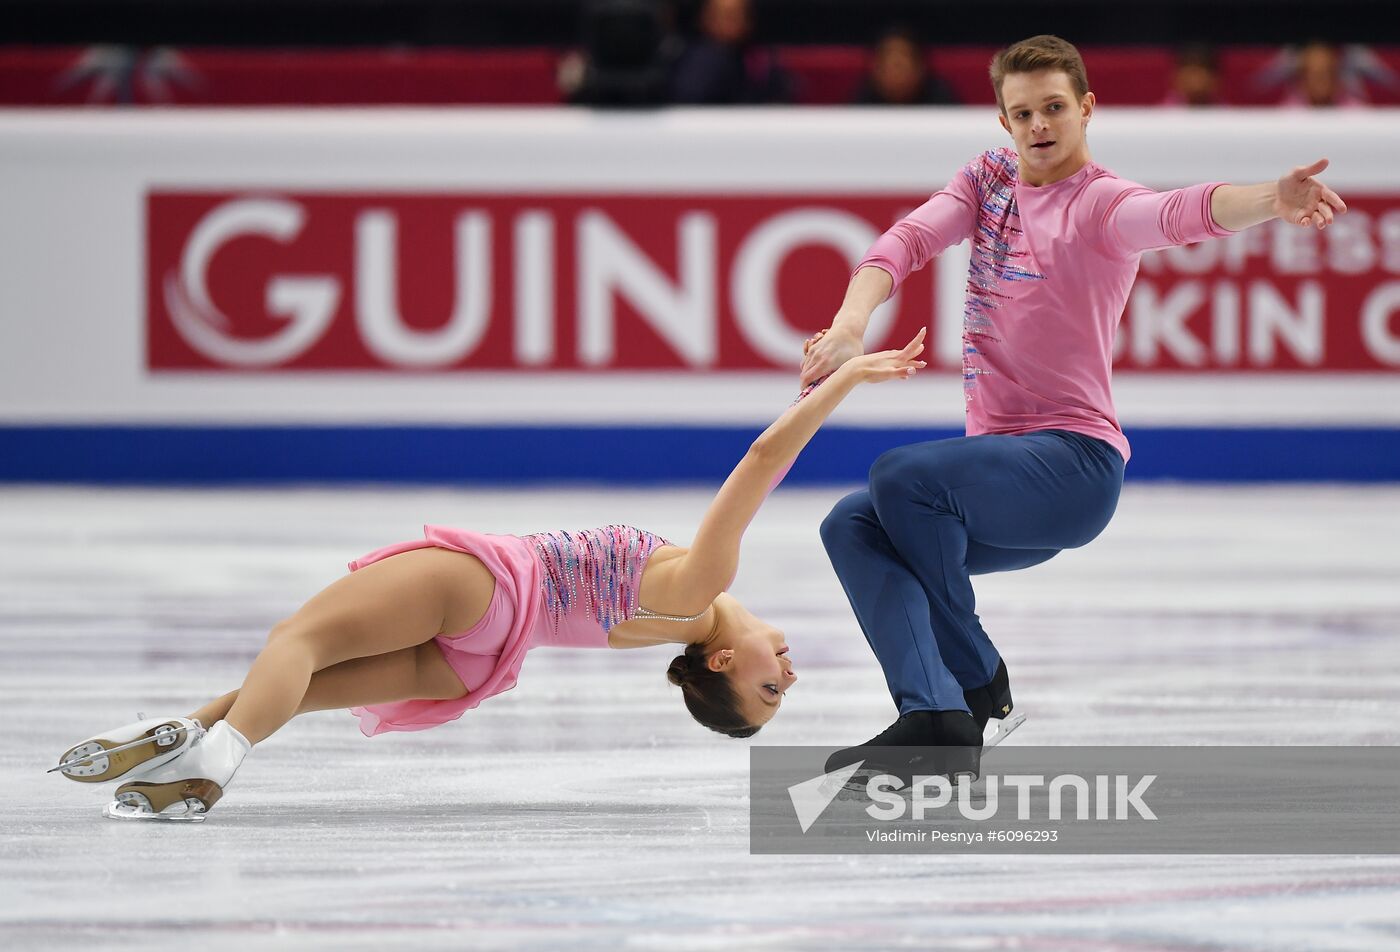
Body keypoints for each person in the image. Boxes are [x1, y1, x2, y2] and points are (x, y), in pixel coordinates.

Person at [51, 331, 930, 821]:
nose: (791, 674)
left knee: (299, 642)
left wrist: (849, 376)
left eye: (774, 691)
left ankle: (213, 752)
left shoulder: (700, 590)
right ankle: (184, 731)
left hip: (487, 586)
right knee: (306, 684)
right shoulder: (682, 614)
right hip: (484, 660)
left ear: (725, 666)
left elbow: (764, 458)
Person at [799, 33, 1347, 783]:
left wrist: (1271, 200)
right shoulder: (988, 181)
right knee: (851, 524)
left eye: (1054, 107)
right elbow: (905, 242)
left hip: (1073, 471)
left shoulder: (1099, 204)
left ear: (1087, 109)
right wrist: (851, 324)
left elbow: (1182, 212)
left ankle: (978, 676)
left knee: (901, 477)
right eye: (1021, 113)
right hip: (997, 488)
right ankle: (936, 719)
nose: (1039, 126)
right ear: (1003, 122)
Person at [669, 0, 793, 105]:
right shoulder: (698, 61)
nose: (731, 23)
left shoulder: (757, 58)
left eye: (737, 16)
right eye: (724, 16)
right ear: (704, 19)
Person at [852, 26, 959, 106]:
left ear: (920, 68)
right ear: (875, 69)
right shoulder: (861, 105)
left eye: (901, 65)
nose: (896, 72)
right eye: (889, 65)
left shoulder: (943, 104)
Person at [1162, 43, 1221, 107]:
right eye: (1190, 74)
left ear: (1215, 79)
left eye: (1199, 75)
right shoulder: (1165, 111)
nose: (1194, 81)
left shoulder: (1225, 112)